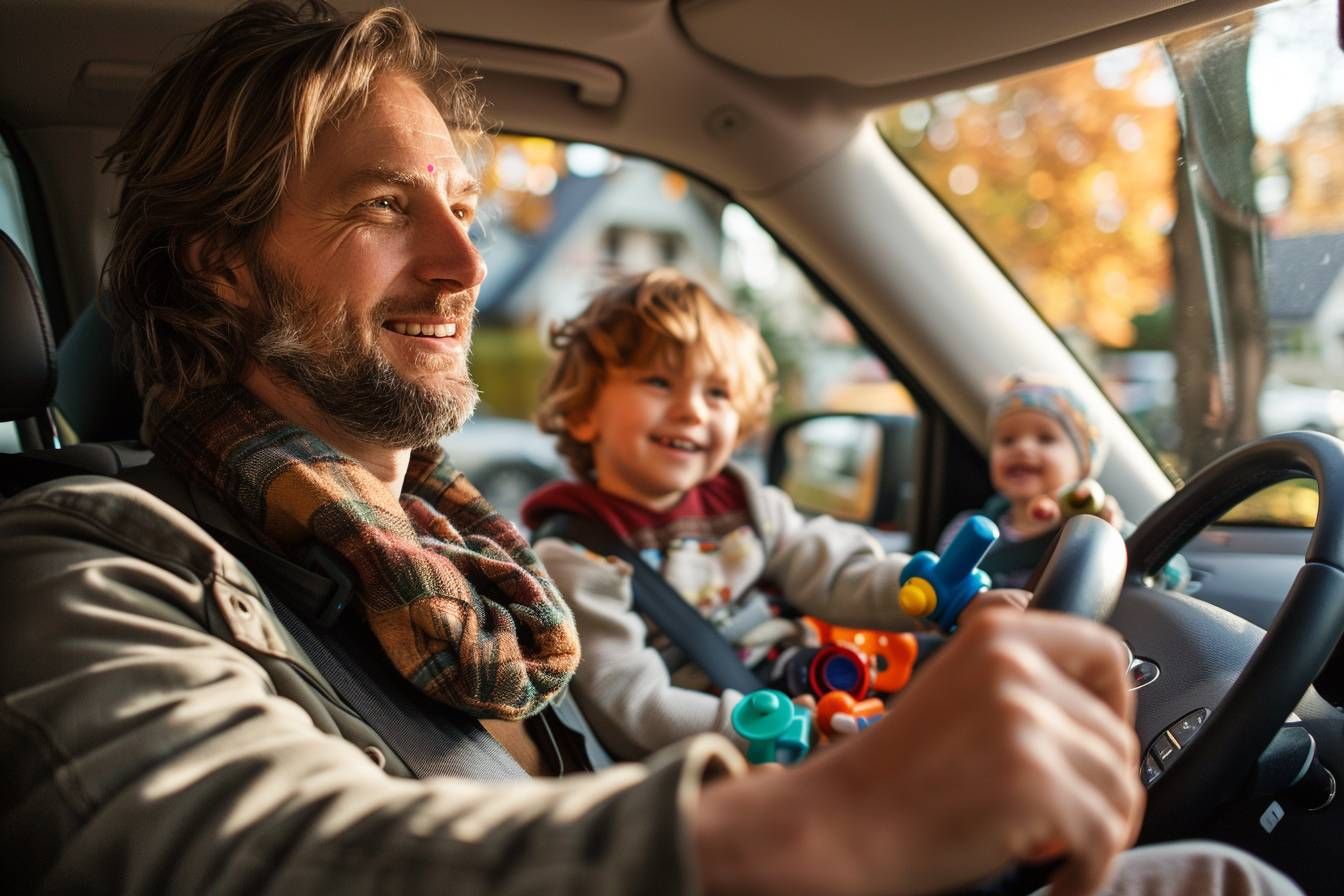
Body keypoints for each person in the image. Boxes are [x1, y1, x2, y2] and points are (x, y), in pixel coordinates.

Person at [0, 3, 1302, 895]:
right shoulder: (82, 567)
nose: (464, 264)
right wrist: (817, 826)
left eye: (461, 207)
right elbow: (257, 857)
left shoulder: (470, 561)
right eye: (386, 208)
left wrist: (801, 770)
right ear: (223, 267)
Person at [520, 270, 1028, 758]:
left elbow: (832, 568)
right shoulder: (577, 554)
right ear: (584, 412)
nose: (693, 410)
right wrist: (777, 733)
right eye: (658, 382)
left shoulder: (744, 504)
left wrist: (936, 594)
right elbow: (633, 705)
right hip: (739, 749)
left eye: (716, 393)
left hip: (817, 693)